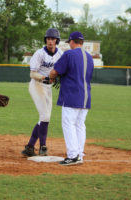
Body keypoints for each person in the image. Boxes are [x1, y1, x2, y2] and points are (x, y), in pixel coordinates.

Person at [49, 31, 94, 165]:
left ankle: (73, 155)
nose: (69, 45)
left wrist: (52, 77)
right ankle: (79, 154)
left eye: (70, 42)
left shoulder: (69, 54)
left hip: (71, 95)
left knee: (68, 124)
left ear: (73, 42)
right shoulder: (89, 57)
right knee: (80, 125)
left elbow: (54, 72)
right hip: (86, 96)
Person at [21, 28, 63, 157]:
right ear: (46, 40)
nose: (50, 41)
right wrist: (46, 78)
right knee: (45, 116)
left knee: (45, 118)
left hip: (48, 87)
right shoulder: (39, 53)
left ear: (57, 40)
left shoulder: (60, 54)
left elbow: (61, 70)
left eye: (53, 39)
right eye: (48, 39)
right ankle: (43, 146)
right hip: (37, 85)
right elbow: (32, 73)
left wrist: (58, 77)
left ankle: (29, 146)